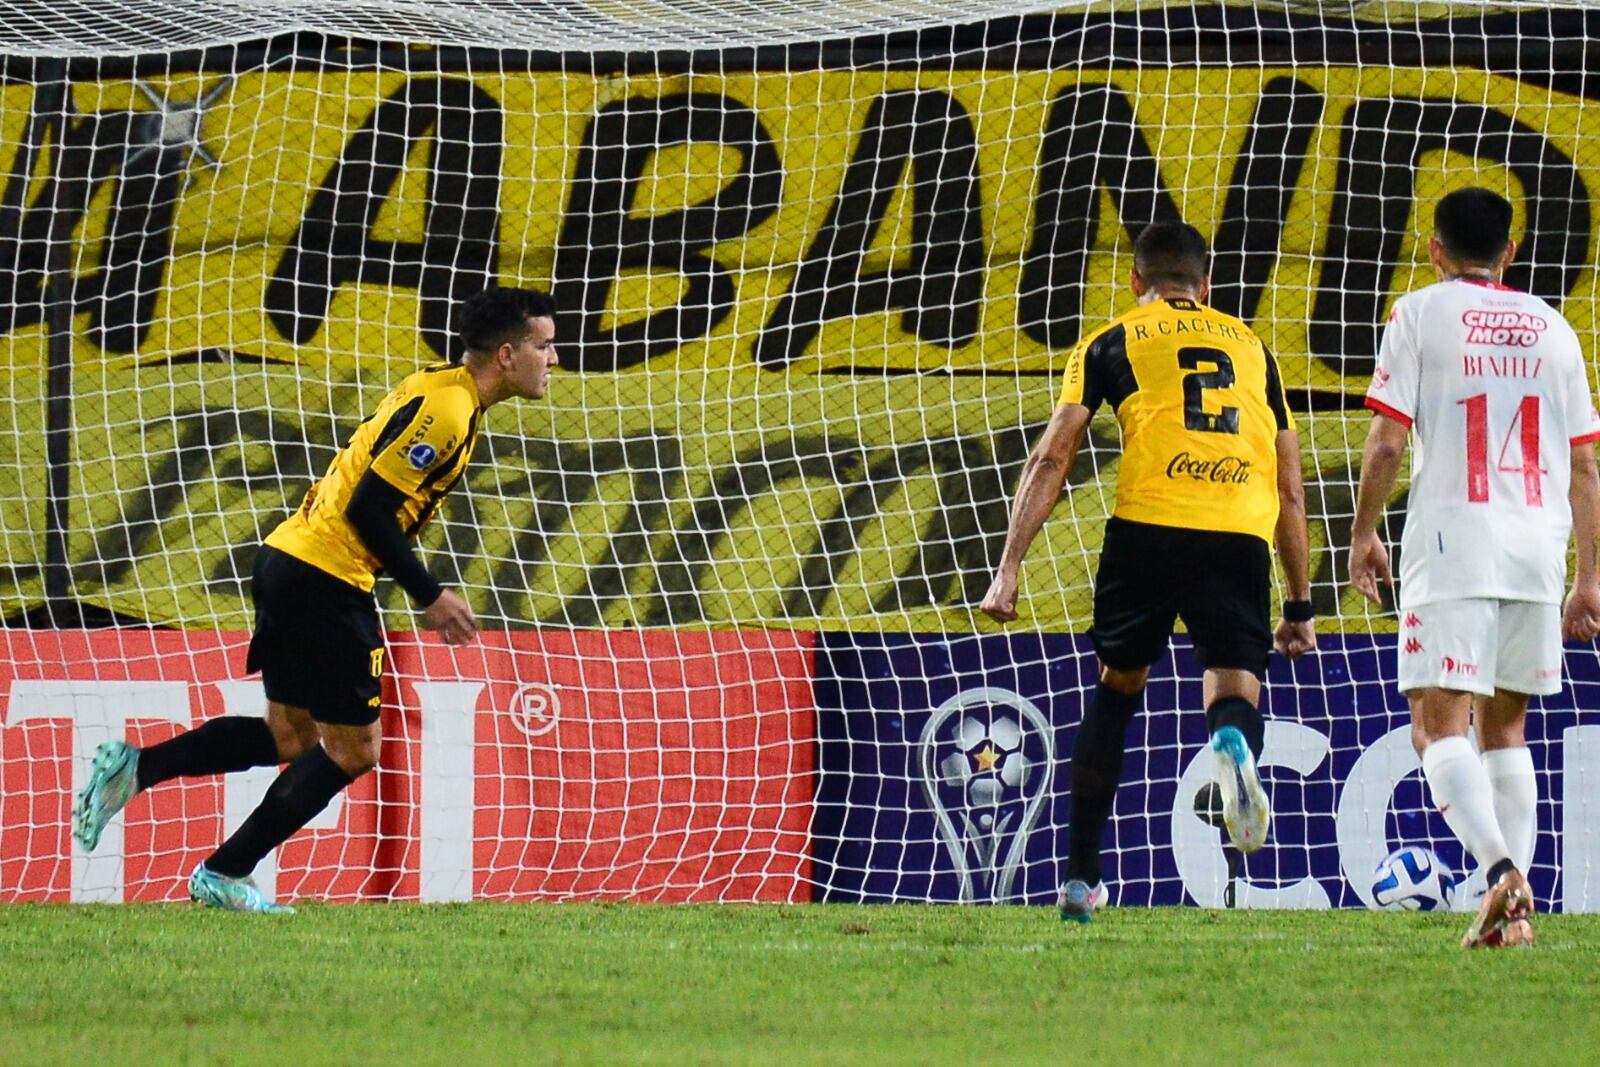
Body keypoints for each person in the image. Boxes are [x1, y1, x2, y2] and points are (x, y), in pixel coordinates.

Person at [72, 286, 560, 912]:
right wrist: (430, 595)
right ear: (505, 353)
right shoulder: (448, 411)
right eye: (544, 346)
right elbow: (369, 509)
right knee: (354, 749)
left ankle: (135, 770)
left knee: (290, 734)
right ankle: (223, 873)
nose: (554, 359)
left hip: (291, 561)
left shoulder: (444, 391)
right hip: (324, 577)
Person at [981, 221, 1316, 923]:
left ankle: (1079, 880)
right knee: (1234, 688)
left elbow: (1053, 455)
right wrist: (1300, 602)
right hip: (1236, 533)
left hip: (1147, 529)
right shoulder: (1254, 350)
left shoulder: (1110, 341)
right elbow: (1289, 484)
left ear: (1136, 282)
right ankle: (1230, 740)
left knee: (1118, 686)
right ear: (1208, 282)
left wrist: (1009, 568)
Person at [1348, 187, 1600, 949]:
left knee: (1435, 726)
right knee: (1507, 727)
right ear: (1510, 254)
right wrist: (1589, 576)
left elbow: (1388, 442)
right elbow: (1585, 466)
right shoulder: (1556, 329)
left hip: (1455, 538)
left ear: (1433, 248)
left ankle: (1499, 874)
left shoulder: (1418, 313)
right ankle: (1511, 916)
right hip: (1537, 545)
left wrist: (1363, 532)